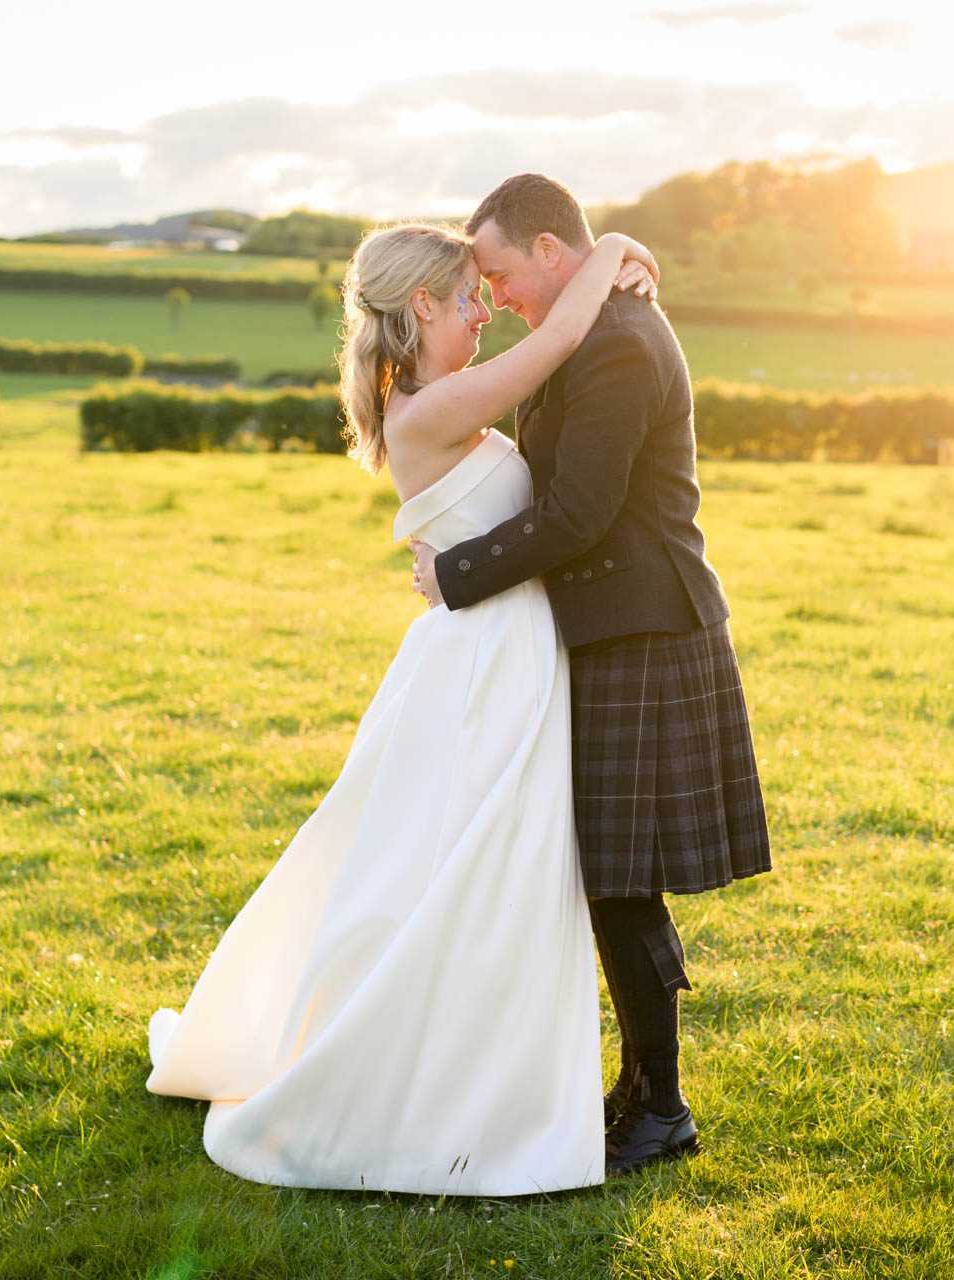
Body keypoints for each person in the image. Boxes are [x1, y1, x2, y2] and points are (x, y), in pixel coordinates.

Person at [145, 218, 660, 1195]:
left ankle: (479, 1079)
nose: (482, 312)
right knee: (455, 872)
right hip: (481, 671)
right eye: (467, 298)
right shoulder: (428, 406)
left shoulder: (439, 400)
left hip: (502, 656)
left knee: (476, 875)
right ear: (421, 306)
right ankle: (414, 1083)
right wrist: (616, 244)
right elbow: (554, 344)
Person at [412, 172, 772, 1178]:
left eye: (499, 273)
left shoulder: (617, 343)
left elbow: (580, 515)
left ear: (549, 253)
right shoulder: (593, 318)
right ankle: (643, 1089)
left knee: (621, 879)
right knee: (613, 874)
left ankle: (661, 1105)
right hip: (617, 631)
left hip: (648, 632)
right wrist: (619, 246)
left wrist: (459, 572)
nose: (498, 295)